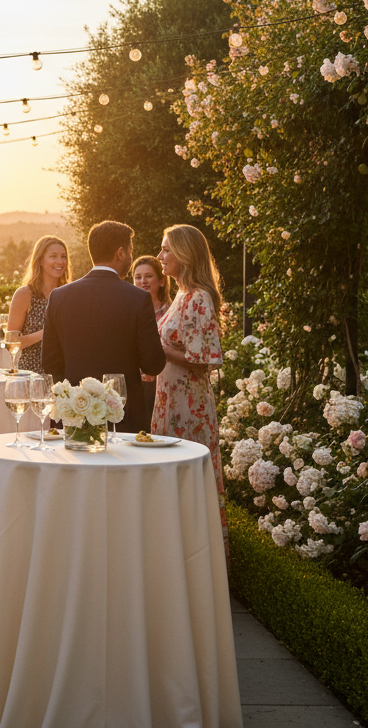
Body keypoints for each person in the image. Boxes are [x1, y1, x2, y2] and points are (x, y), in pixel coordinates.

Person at [41, 220, 166, 433]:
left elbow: (49, 362)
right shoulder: (138, 298)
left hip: (73, 414)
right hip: (123, 418)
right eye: (130, 251)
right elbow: (153, 365)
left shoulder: (59, 297)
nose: (130, 257)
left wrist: (75, 395)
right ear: (120, 253)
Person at [152, 224, 228, 563]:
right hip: (168, 399)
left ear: (184, 253)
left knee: (186, 483)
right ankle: (171, 558)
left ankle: (195, 563)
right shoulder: (181, 294)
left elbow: (205, 361)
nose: (160, 256)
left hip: (189, 406)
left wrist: (158, 350)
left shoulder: (198, 297)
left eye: (166, 249)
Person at [7, 236, 73, 372]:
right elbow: (11, 344)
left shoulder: (70, 294)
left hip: (63, 374)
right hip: (31, 374)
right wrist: (47, 332)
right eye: (53, 256)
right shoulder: (25, 294)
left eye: (63, 256)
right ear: (40, 261)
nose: (60, 262)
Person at [132, 255, 173, 419]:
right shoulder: (128, 312)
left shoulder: (171, 312)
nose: (143, 281)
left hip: (164, 383)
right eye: (138, 277)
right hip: (135, 384)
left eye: (149, 276)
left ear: (161, 280)